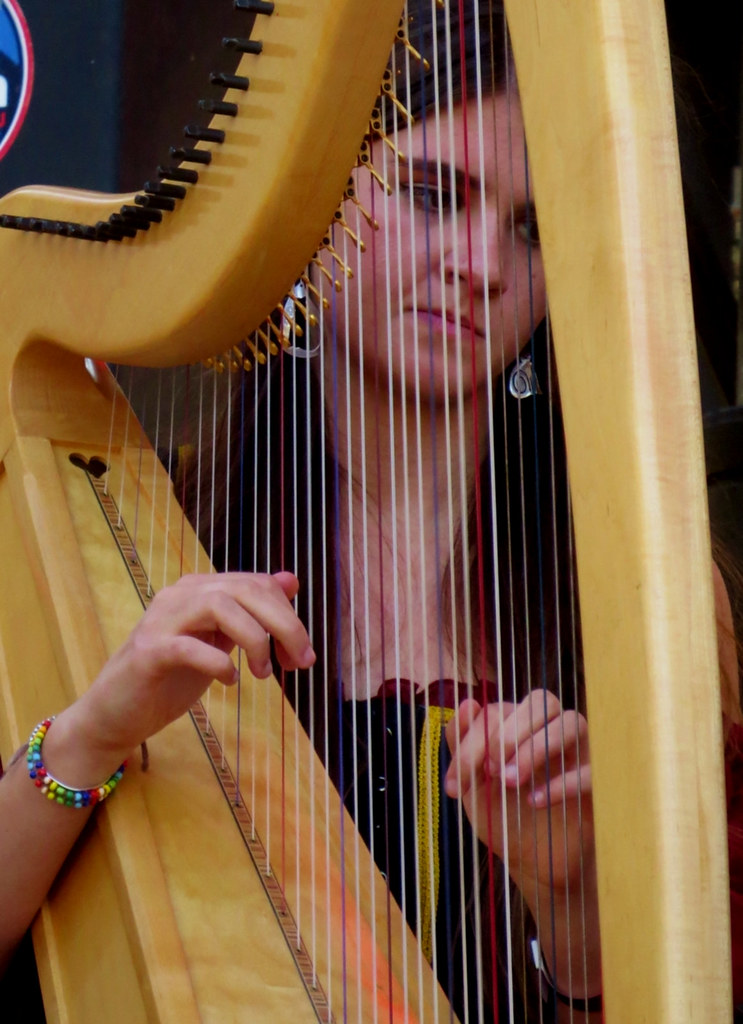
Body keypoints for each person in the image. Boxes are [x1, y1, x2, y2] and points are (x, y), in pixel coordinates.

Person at [0, 3, 737, 1021]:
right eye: (436, 195)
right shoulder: (131, 532)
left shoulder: (635, 606)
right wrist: (89, 735)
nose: (481, 265)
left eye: (530, 226)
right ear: (312, 207)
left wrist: (571, 909)